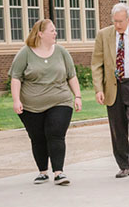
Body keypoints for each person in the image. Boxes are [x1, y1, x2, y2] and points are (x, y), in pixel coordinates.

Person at [9, 19, 82, 186]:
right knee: (37, 137)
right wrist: (16, 100)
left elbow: (71, 75)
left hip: (60, 100)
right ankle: (42, 172)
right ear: (40, 33)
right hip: (31, 105)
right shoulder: (25, 53)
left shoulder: (62, 52)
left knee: (56, 133)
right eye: (52, 31)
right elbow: (16, 77)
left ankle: (59, 172)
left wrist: (77, 96)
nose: (55, 33)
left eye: (55, 30)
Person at [91, 3, 129, 182]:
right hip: (113, 86)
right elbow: (97, 64)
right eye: (115, 21)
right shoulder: (103, 35)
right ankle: (124, 165)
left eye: (121, 21)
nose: (117, 25)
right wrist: (98, 89)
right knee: (118, 129)